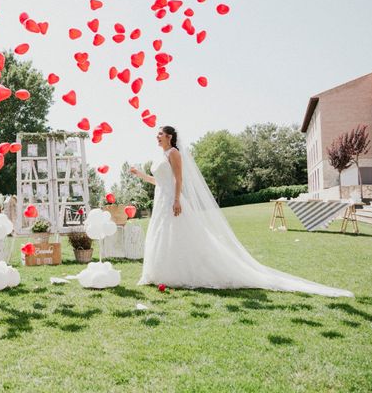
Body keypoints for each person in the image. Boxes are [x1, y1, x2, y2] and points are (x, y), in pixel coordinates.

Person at [130, 126, 353, 297]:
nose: (157, 137)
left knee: (182, 235)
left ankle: (184, 272)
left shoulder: (174, 154)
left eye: (160, 134)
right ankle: (159, 273)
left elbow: (179, 179)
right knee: (163, 235)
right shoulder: (161, 156)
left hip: (172, 201)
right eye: (157, 134)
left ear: (169, 136)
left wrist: (177, 200)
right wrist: (140, 174)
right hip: (160, 201)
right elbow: (159, 182)